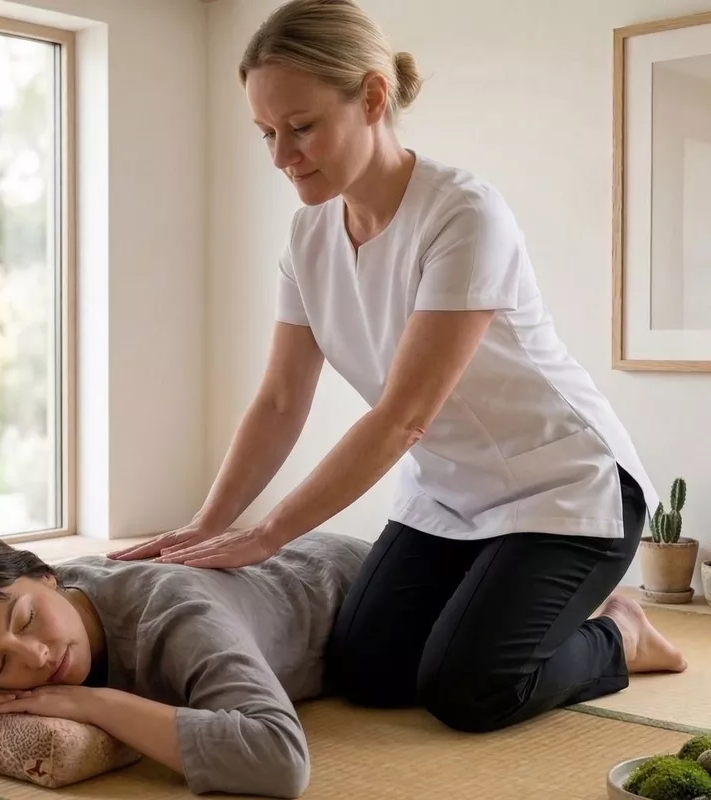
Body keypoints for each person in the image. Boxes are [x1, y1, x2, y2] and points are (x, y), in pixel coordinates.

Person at [109, 0, 687, 735]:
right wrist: (205, 526)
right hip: (448, 497)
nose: (282, 155)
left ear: (374, 97)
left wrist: (267, 535)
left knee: (468, 691)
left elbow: (402, 418)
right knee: (369, 672)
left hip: (563, 492)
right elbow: (283, 399)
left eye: (302, 126)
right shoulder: (309, 234)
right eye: (267, 133)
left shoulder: (463, 213)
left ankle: (622, 634)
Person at [0, 530, 371, 798]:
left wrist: (91, 703)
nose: (35, 656)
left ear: (46, 575)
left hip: (366, 602)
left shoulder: (176, 615)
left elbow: (280, 759)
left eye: (29, 619)